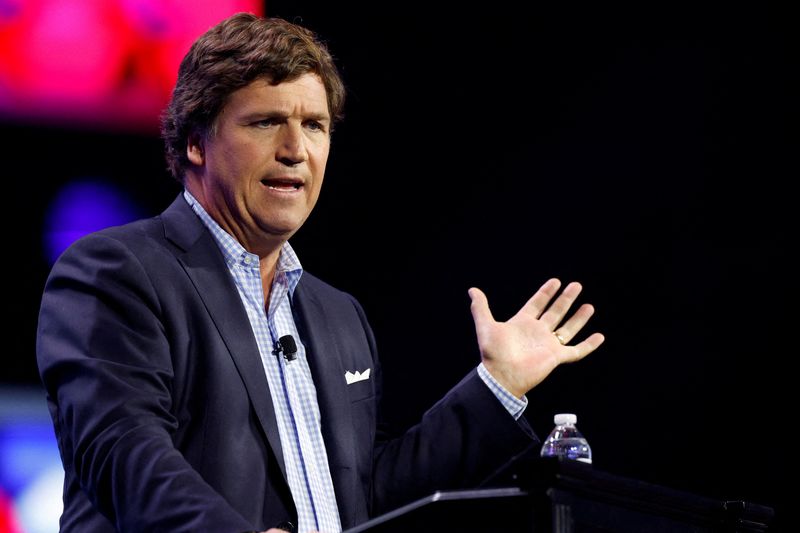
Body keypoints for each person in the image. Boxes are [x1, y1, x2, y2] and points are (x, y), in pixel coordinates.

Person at [35, 12, 605, 533]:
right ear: (195, 144)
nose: (295, 149)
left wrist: (497, 386)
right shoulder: (114, 273)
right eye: (265, 122)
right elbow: (124, 452)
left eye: (315, 125)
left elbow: (364, 498)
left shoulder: (337, 315)